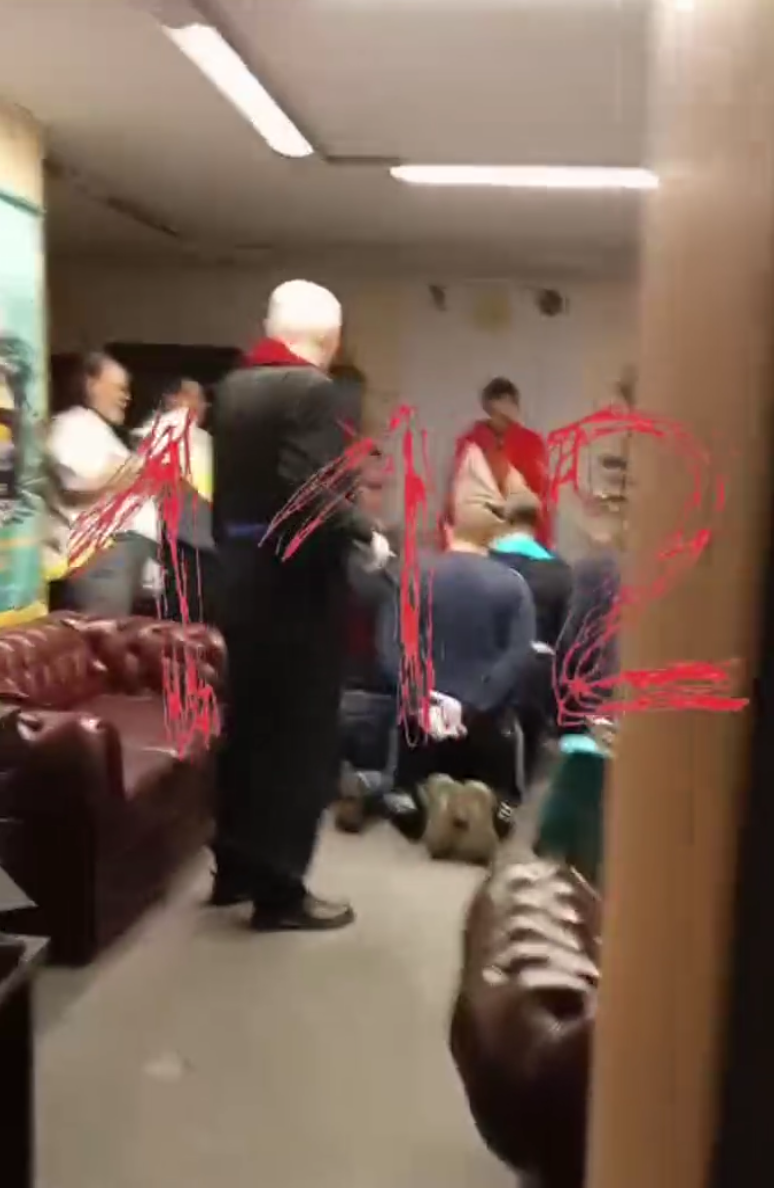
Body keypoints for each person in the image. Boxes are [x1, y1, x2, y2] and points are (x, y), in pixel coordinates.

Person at [211, 279, 391, 932]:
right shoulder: (312, 391)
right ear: (332, 338)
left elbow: (234, 493)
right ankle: (281, 893)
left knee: (247, 732)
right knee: (298, 741)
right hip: (296, 593)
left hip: (241, 582)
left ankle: (233, 870)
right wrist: (365, 530)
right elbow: (305, 494)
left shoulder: (233, 387)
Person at [378, 516, 537, 807]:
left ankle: (414, 804)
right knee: (496, 807)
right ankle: (486, 807)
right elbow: (518, 655)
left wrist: (422, 699)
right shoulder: (514, 586)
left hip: (419, 729)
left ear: (447, 529)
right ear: (494, 536)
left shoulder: (413, 578)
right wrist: (471, 705)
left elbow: (392, 646)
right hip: (488, 727)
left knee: (408, 802)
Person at [46, 351, 157, 615]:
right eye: (120, 388)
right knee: (101, 635)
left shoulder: (102, 431)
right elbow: (76, 481)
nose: (127, 397)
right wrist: (133, 470)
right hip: (105, 553)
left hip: (124, 556)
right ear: (91, 385)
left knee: (114, 634)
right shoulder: (72, 424)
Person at [133, 378, 215, 623]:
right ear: (171, 399)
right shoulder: (158, 431)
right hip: (176, 538)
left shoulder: (204, 439)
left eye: (202, 398)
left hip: (206, 540)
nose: (200, 404)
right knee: (179, 618)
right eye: (191, 396)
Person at [441, 376, 551, 548]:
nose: (504, 416)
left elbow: (540, 493)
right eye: (498, 411)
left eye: (509, 408)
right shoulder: (470, 443)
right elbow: (457, 493)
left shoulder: (531, 443)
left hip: (521, 534)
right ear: (488, 409)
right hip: (479, 537)